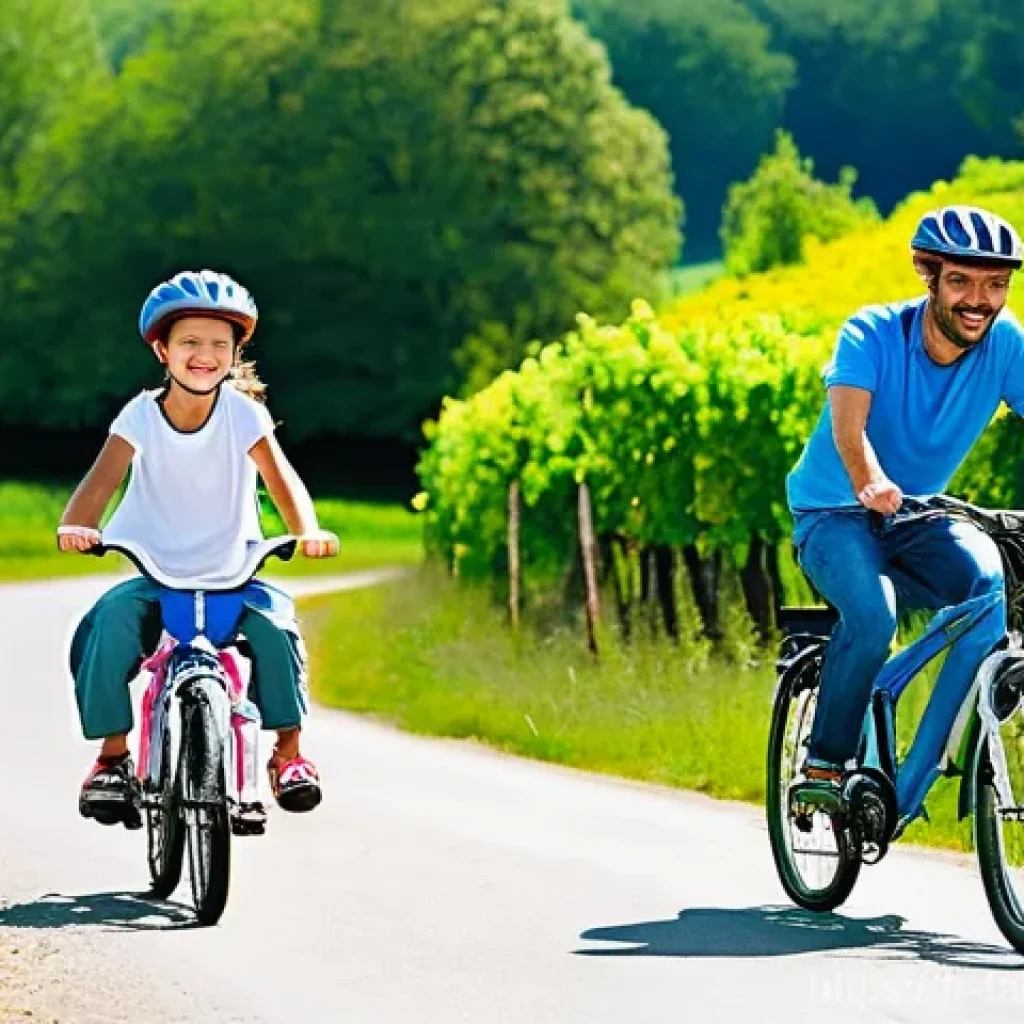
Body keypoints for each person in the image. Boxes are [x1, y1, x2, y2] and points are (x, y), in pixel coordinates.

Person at [58, 269, 339, 827]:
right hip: (156, 573)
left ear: (236, 353)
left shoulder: (243, 414)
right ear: (162, 350)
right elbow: (99, 483)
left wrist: (307, 530)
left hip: (233, 571)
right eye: (189, 342)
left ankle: (287, 754)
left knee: (277, 625)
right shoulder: (140, 415)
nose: (204, 354)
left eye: (219, 344)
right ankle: (113, 758)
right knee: (109, 621)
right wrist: (78, 525)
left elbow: (282, 481)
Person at [786, 205, 1024, 815]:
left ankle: (915, 777)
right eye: (962, 282)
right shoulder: (870, 333)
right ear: (929, 274)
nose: (980, 299)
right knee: (874, 617)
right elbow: (850, 428)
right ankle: (825, 761)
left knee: (988, 589)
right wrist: (868, 480)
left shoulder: (1005, 345)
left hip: (919, 519)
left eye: (996, 284)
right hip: (835, 514)